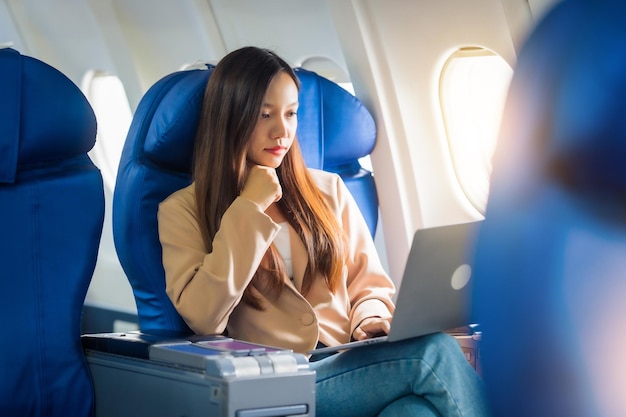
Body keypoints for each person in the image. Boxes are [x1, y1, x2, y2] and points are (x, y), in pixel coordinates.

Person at [157, 46, 488, 417]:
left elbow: (370, 285)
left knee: (414, 412)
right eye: (265, 114)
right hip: (270, 383)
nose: (282, 131)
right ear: (230, 117)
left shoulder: (327, 190)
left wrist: (369, 320)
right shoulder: (182, 211)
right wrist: (248, 207)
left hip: (343, 362)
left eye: (291, 113)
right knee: (432, 351)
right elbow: (203, 315)